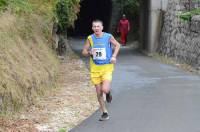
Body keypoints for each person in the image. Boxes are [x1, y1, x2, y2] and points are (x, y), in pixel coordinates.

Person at [82, 20, 120, 121]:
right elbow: (84, 52)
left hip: (107, 67)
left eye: (98, 26)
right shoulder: (90, 38)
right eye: (94, 26)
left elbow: (117, 45)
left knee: (104, 89)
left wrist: (114, 56)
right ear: (92, 28)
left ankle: (107, 92)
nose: (96, 28)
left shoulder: (108, 37)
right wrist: (90, 53)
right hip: (95, 69)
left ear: (102, 28)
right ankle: (104, 112)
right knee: (99, 93)